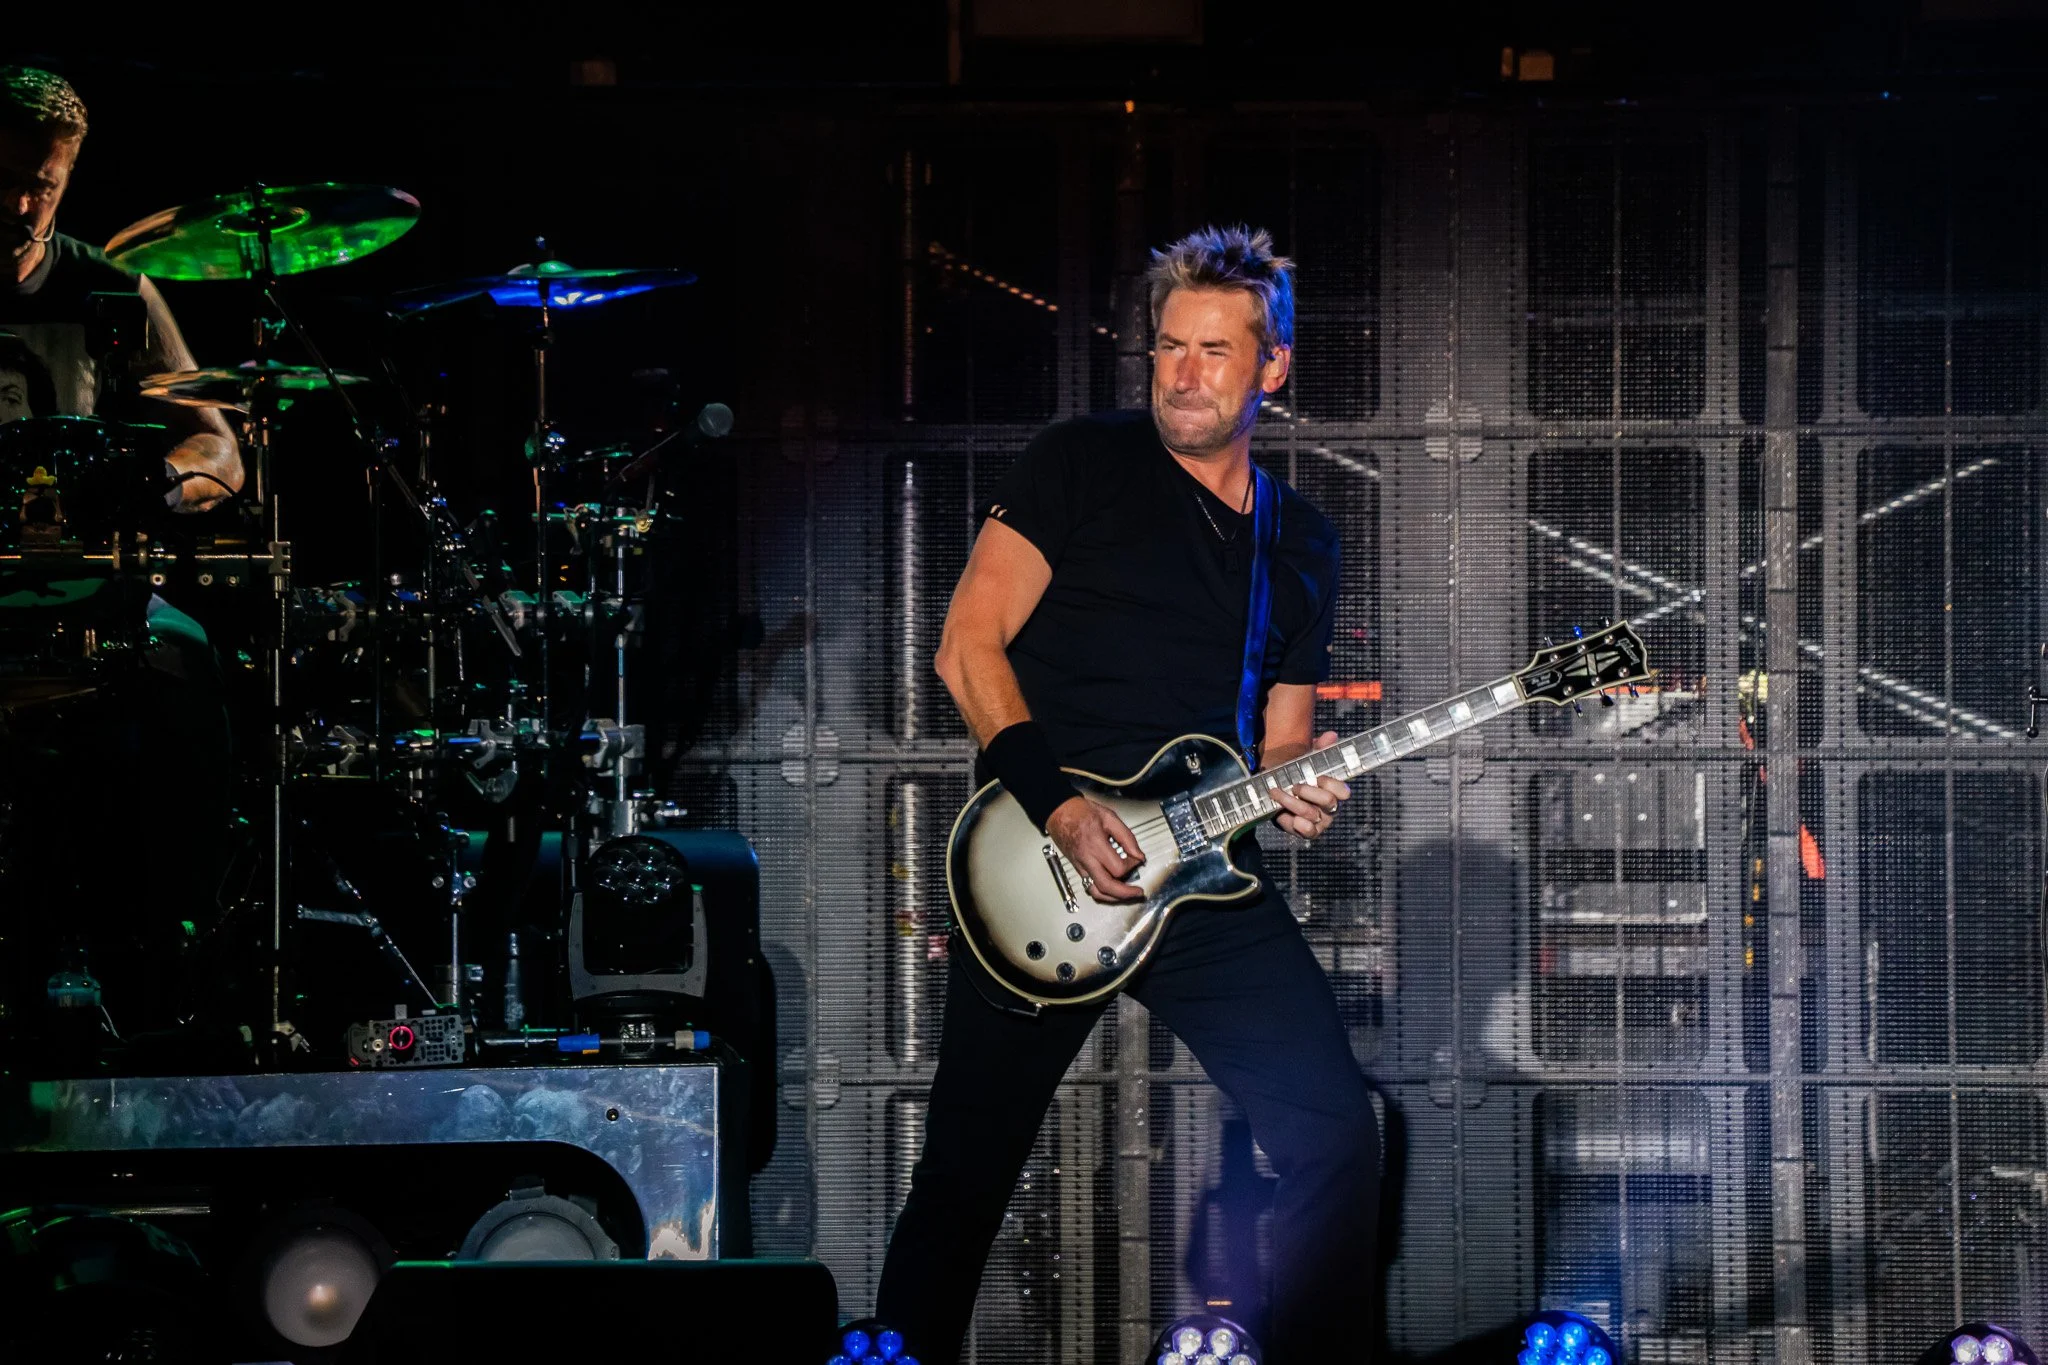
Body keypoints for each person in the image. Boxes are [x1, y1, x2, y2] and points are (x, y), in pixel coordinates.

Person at [876, 225, 1379, 1363]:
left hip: (1199, 879)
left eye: (1214, 350)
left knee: (1335, 1137)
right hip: (1038, 862)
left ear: (1272, 367)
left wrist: (1297, 793)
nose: (1182, 374)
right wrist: (1059, 806)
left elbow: (1281, 741)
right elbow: (965, 646)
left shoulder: (1300, 541)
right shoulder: (1079, 463)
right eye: (1168, 347)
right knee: (965, 1173)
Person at [0, 65, 242, 1056]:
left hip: (86, 595)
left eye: (43, 185)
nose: (22, 205)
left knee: (186, 655)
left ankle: (170, 956)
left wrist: (160, 484)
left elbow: (218, 444)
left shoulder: (109, 288)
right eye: (5, 178)